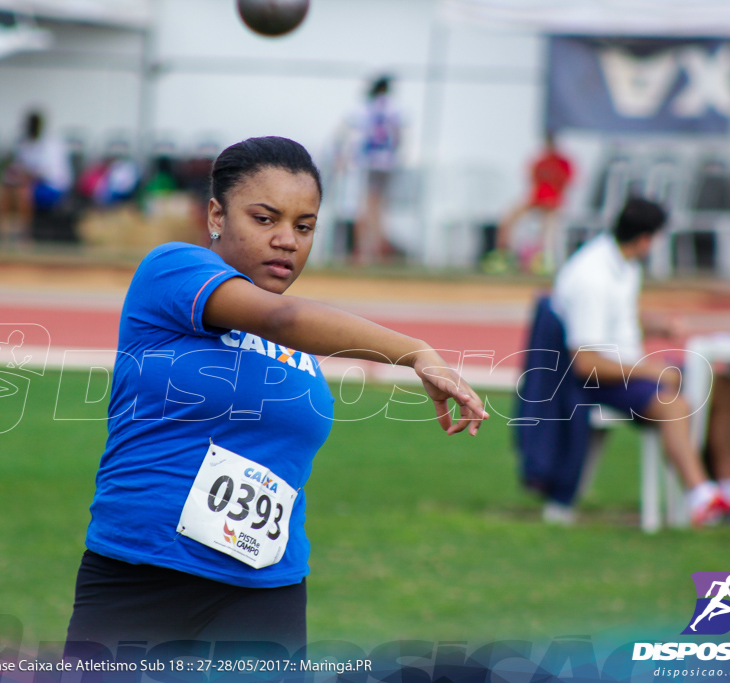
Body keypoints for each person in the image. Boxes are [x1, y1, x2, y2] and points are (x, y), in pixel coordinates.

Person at [65, 136, 486, 651]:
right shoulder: (171, 270)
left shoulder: (299, 351)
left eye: (304, 226)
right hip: (145, 575)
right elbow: (284, 317)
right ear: (216, 215)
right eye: (265, 219)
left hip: (267, 590)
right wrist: (417, 352)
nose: (287, 239)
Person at [550, 197, 730, 526]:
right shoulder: (591, 276)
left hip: (630, 367)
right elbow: (585, 364)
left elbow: (613, 323)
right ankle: (701, 496)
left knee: (722, 382)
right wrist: (653, 371)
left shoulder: (623, 264)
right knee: (672, 402)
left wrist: (657, 326)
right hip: (598, 380)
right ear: (646, 239)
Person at [492, 132, 574, 274]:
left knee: (549, 222)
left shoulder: (563, 162)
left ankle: (544, 257)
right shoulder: (539, 161)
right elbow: (532, 180)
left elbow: (567, 183)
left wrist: (551, 199)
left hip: (553, 202)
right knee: (510, 215)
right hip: (535, 200)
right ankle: (504, 253)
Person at [0, 110, 72, 242]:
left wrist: (25, 176)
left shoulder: (52, 144)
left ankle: (25, 236)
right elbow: (16, 169)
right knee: (4, 190)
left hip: (53, 188)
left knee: (23, 191)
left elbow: (46, 174)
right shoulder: (24, 144)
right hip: (29, 186)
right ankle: (1, 234)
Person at [352, 75, 402, 264]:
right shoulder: (392, 107)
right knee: (378, 207)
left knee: (369, 205)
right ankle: (375, 247)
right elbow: (397, 135)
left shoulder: (368, 106)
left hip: (370, 161)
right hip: (387, 162)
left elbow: (360, 134)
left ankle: (369, 249)